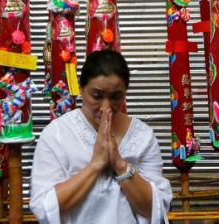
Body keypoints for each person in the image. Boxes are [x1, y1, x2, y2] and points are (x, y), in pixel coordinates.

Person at [30, 50, 172, 223]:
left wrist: (120, 165)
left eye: (116, 97)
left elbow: (155, 209)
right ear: (81, 90)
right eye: (96, 96)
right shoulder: (56, 134)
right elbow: (44, 209)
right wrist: (96, 164)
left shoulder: (143, 136)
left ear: (125, 93)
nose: (106, 107)